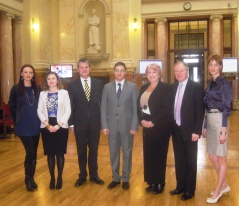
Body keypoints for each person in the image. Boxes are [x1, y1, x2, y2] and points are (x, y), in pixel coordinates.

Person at [101, 62, 138, 190]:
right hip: (111, 127)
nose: (119, 73)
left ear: (125, 72)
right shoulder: (107, 87)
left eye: (122, 70)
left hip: (127, 126)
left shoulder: (132, 87)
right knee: (113, 153)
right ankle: (115, 178)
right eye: (117, 70)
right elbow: (104, 107)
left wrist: (134, 126)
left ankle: (126, 178)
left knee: (127, 153)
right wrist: (104, 125)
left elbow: (135, 108)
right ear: (114, 72)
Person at [170, 61, 204, 200]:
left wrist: (197, 131)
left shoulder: (196, 87)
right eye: (176, 71)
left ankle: (190, 190)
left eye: (181, 71)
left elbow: (200, 111)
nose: (179, 73)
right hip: (176, 130)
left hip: (190, 131)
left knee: (190, 161)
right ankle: (180, 186)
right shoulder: (172, 87)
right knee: (179, 160)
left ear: (187, 71)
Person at [68, 58, 104, 187]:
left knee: (94, 151)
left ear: (90, 69)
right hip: (80, 123)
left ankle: (94, 175)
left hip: (95, 123)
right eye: (81, 67)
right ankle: (82, 175)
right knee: (81, 151)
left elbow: (103, 104)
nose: (84, 69)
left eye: (86, 67)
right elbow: (69, 106)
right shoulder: (72, 85)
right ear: (78, 69)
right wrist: (71, 124)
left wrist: (103, 122)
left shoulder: (99, 83)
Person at [137, 63, 171, 194]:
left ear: (159, 74)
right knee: (149, 155)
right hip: (146, 127)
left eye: (154, 72)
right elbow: (138, 106)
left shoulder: (165, 88)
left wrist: (153, 122)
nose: (151, 75)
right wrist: (142, 121)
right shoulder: (144, 87)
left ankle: (160, 183)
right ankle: (151, 182)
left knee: (159, 156)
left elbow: (166, 109)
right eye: (149, 72)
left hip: (160, 127)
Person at [202, 55, 232, 204]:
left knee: (221, 157)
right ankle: (224, 185)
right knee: (212, 156)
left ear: (220, 67)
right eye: (210, 65)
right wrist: (205, 126)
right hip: (210, 120)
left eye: (215, 65)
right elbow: (207, 106)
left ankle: (218, 190)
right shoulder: (210, 83)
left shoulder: (225, 84)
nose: (212, 67)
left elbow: (227, 107)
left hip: (220, 121)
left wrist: (223, 130)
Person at [9, 64, 41, 192]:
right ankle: (27, 179)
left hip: (36, 125)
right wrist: (17, 121)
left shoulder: (37, 88)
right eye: (25, 72)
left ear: (33, 75)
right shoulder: (16, 89)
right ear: (21, 74)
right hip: (23, 126)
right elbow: (12, 106)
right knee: (30, 152)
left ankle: (32, 178)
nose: (28, 74)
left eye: (30, 72)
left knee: (34, 153)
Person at [37, 72, 71, 190]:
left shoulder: (64, 93)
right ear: (46, 81)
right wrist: (47, 125)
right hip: (46, 127)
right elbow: (39, 111)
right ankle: (52, 178)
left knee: (60, 153)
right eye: (49, 79)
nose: (51, 80)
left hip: (61, 127)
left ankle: (60, 177)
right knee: (50, 154)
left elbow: (68, 110)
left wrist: (59, 125)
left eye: (53, 78)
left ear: (57, 80)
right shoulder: (42, 94)